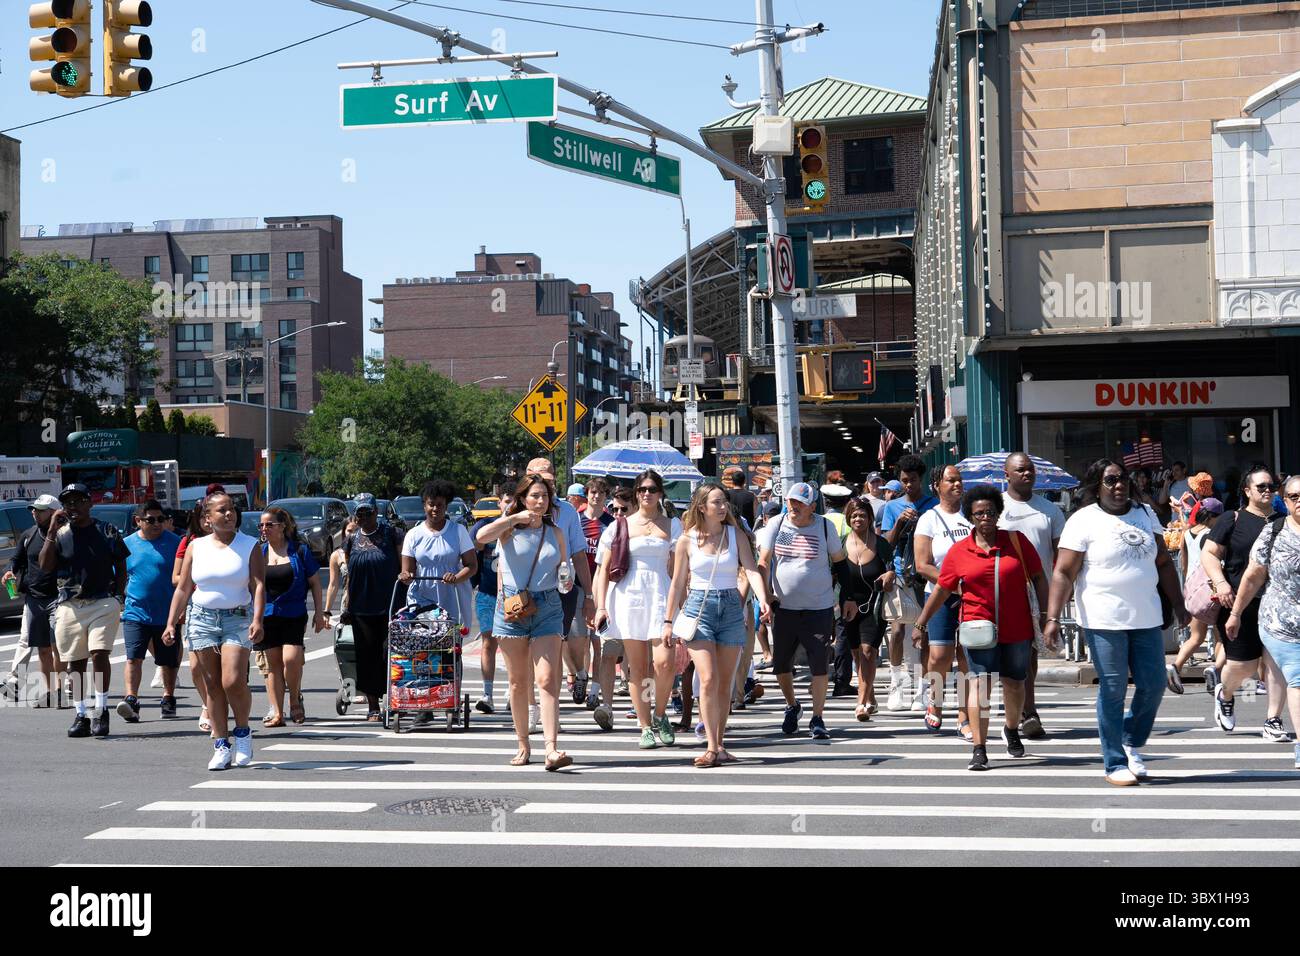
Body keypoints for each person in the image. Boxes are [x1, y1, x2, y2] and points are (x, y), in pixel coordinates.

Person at [1043, 460, 1190, 786]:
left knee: (1152, 684)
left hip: (1147, 615)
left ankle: (1130, 739)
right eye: (1110, 480)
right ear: (1097, 486)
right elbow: (1064, 572)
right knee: (1113, 687)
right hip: (1102, 617)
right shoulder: (1083, 520)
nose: (1118, 485)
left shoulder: (1145, 514)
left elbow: (1164, 563)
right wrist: (1053, 617)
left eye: (1122, 479)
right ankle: (1114, 762)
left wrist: (1180, 605)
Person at [915, 485, 1048, 771]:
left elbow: (1038, 577)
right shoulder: (959, 551)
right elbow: (942, 589)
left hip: (1017, 627)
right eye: (978, 513)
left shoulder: (1017, 541)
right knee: (980, 684)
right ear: (970, 517)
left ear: (998, 514)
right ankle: (979, 747)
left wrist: (1049, 615)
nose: (985, 517)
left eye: (990, 512)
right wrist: (921, 622)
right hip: (978, 628)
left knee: (1014, 683)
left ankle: (1011, 729)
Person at [662, 482, 771, 768]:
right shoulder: (687, 540)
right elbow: (676, 583)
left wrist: (764, 599)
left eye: (724, 502)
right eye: (717, 503)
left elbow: (750, 568)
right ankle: (711, 747)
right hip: (700, 608)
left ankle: (720, 745)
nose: (723, 507)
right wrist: (668, 620)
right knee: (708, 679)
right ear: (702, 507)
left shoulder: (736, 535)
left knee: (724, 685)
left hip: (732, 608)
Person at [161, 492, 266, 770]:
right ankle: (221, 745)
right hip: (202, 618)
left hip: (238, 618)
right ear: (207, 519)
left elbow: (258, 586)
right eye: (222, 511)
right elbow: (183, 588)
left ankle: (242, 733)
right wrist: (171, 622)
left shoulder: (250, 545)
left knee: (232, 681)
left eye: (232, 510)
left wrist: (258, 619)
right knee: (212, 684)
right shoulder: (196, 547)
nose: (229, 514)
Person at [477, 474, 572, 770]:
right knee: (518, 683)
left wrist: (565, 577)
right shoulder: (508, 530)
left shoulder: (555, 532)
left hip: (547, 607)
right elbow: (480, 538)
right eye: (534, 496)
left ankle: (552, 749)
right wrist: (513, 516)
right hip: (513, 607)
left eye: (545, 496)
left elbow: (564, 565)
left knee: (546, 679)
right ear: (523, 498)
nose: (540, 501)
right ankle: (522, 744)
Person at [591, 469, 682, 748]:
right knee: (638, 667)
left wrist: (684, 602)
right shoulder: (620, 525)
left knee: (664, 663)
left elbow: (679, 571)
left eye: (652, 489)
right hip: (629, 596)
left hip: (661, 595)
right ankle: (644, 726)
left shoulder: (672, 525)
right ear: (635, 492)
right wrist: (600, 606)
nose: (646, 494)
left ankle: (660, 713)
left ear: (660, 493)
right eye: (642, 489)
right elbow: (603, 569)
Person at [1201, 466, 1289, 739]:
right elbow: (1209, 554)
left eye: (1271, 487)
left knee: (1276, 664)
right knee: (1245, 667)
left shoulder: (1284, 520)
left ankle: (1273, 720)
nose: (1267, 491)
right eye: (1261, 487)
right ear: (1247, 491)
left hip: (1278, 604)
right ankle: (1225, 694)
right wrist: (1221, 582)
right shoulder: (1233, 518)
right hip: (1239, 602)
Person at [757, 482, 845, 740]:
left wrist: (847, 598)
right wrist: (765, 596)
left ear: (813, 507)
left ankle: (817, 718)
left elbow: (840, 565)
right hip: (784, 607)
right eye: (791, 501)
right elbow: (764, 561)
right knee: (782, 664)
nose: (793, 506)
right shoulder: (777, 524)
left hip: (819, 607)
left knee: (819, 663)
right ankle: (792, 705)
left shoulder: (825, 526)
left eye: (800, 503)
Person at [39, 483, 128, 739]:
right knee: (74, 662)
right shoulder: (61, 534)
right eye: (68, 502)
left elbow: (121, 563)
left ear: (90, 503)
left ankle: (101, 710)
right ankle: (81, 714)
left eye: (79, 501)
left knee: (99, 653)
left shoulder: (106, 530)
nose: (73, 507)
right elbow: (45, 566)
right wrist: (53, 530)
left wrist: (119, 595)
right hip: (69, 604)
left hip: (102, 601)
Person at [1226, 474, 1300, 766]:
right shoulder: (1274, 531)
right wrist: (1235, 614)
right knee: (1297, 678)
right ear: (1287, 500)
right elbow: (1254, 575)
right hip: (1282, 625)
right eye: (1294, 497)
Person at [999, 452, 1066, 738]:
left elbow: (1062, 556)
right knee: (1008, 654)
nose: (1027, 474)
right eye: (1020, 470)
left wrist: (1062, 594)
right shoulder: (995, 507)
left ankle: (1028, 709)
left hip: (1039, 590)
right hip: (1003, 591)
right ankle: (1014, 710)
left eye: (1030, 470)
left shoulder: (1050, 510)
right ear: (1007, 475)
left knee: (1031, 653)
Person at [913, 464, 973, 733]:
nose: (957, 485)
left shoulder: (971, 515)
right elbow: (923, 564)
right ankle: (934, 703)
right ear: (937, 486)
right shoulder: (929, 519)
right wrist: (954, 585)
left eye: (959, 480)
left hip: (972, 597)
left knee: (968, 656)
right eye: (951, 480)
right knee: (939, 656)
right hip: (940, 596)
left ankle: (965, 715)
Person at [878, 455, 939, 711]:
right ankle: (896, 686)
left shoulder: (934, 506)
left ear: (920, 479)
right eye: (904, 481)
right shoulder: (892, 508)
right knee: (897, 630)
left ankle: (923, 689)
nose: (908, 485)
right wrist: (901, 523)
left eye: (912, 480)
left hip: (925, 575)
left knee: (923, 633)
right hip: (901, 573)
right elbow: (885, 545)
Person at [258, 505, 327, 727]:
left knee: (291, 658)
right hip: (267, 615)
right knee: (273, 665)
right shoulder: (259, 553)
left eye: (270, 524)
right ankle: (278, 712)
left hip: (294, 613)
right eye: (262, 525)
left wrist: (319, 612)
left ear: (283, 527)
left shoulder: (299, 550)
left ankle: (295, 698)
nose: (265, 529)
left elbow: (315, 582)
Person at [116, 500, 182, 723]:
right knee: (133, 658)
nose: (157, 524)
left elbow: (185, 579)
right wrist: (119, 600)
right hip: (135, 612)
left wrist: (182, 608)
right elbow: (118, 575)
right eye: (151, 520)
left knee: (168, 661)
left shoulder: (175, 543)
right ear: (138, 521)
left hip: (167, 614)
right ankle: (132, 699)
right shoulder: (126, 544)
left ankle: (168, 697)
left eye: (160, 519)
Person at [341, 502, 404, 721]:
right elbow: (349, 574)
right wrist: (346, 603)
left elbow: (403, 566)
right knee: (367, 656)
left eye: (368, 512)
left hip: (391, 605)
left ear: (376, 512)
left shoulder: (392, 534)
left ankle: (396, 700)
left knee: (391, 654)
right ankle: (373, 705)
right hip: (361, 607)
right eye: (360, 513)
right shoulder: (351, 539)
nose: (364, 517)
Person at [835, 495, 894, 720]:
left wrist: (890, 574)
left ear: (870, 518)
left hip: (875, 604)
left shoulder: (880, 543)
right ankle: (870, 696)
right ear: (848, 518)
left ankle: (861, 703)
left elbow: (892, 567)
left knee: (869, 651)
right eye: (854, 515)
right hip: (848, 604)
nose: (858, 519)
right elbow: (832, 574)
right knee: (857, 654)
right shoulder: (840, 543)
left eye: (863, 515)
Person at [2, 495, 62, 707]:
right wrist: (10, 571)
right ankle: (43, 689)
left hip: (60, 598)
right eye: (33, 509)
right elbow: (15, 560)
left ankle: (61, 687)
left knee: (59, 647)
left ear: (55, 512)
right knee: (38, 646)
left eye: (40, 509)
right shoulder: (28, 535)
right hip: (34, 598)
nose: (34, 512)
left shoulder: (66, 535)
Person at [1167, 498, 1225, 694]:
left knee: (1196, 636)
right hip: (1210, 589)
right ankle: (1215, 673)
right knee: (1220, 636)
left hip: (1192, 588)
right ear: (1213, 516)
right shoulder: (1210, 534)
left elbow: (1183, 562)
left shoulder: (1187, 533)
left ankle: (1175, 667)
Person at [568, 478, 613, 707]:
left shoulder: (611, 523)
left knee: (599, 643)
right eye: (593, 492)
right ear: (587, 494)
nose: (596, 496)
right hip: (577, 586)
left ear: (607, 496)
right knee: (576, 640)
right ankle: (580, 674)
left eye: (601, 493)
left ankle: (595, 691)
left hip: (602, 588)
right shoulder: (576, 520)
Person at [469, 491, 513, 714]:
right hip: (487, 592)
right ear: (499, 503)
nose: (510, 505)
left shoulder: (523, 527)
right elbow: (472, 549)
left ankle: (512, 692)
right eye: (507, 501)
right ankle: (487, 694)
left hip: (514, 595)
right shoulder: (485, 526)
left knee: (512, 645)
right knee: (489, 642)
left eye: (514, 501)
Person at [173, 502, 213, 732]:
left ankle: (216, 707)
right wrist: (196, 579)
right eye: (203, 517)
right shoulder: (189, 543)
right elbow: (176, 578)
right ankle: (208, 704)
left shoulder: (234, 542)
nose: (208, 521)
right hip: (196, 607)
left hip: (229, 611)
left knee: (225, 670)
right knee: (196, 667)